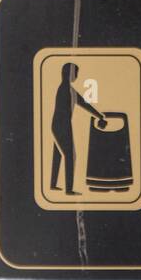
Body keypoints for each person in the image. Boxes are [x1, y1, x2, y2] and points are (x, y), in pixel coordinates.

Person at [49, 62, 106, 195]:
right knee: (70, 155)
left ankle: (53, 184)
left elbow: (84, 103)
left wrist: (99, 115)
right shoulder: (65, 89)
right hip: (62, 125)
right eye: (76, 73)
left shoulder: (69, 89)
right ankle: (69, 190)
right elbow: (75, 105)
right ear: (69, 73)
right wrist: (100, 117)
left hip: (59, 125)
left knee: (58, 154)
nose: (77, 76)